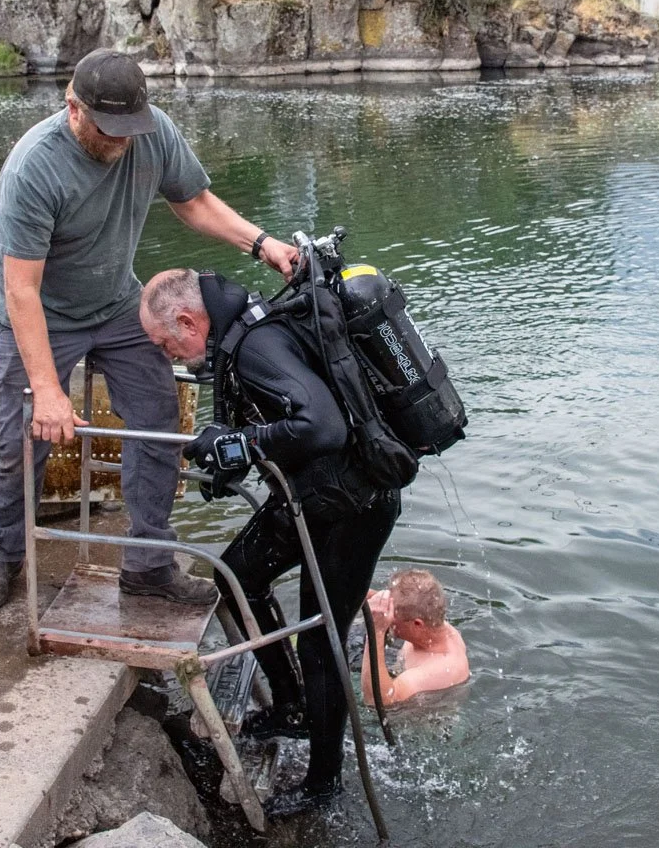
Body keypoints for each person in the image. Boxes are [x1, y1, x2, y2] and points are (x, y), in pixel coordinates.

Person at [0, 48, 299, 614]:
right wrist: (48, 390)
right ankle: (4, 555)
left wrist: (263, 245)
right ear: (73, 108)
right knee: (22, 436)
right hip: (42, 310)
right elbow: (21, 289)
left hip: (118, 301)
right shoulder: (34, 168)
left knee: (158, 419)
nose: (121, 140)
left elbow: (192, 201)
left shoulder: (153, 131)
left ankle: (148, 565)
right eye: (108, 129)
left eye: (130, 128)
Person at [139, 267, 400, 818]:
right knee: (237, 576)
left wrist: (242, 443)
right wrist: (231, 455)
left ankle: (323, 783)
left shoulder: (256, 345)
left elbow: (323, 427)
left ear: (189, 321)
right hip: (318, 492)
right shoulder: (240, 337)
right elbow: (285, 424)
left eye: (167, 344)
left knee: (322, 641)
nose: (171, 356)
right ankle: (292, 705)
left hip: (353, 504)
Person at [361, 569, 468, 707]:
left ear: (417, 624)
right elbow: (404, 604)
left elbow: (378, 702)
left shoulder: (441, 668)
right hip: (398, 667)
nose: (388, 618)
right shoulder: (431, 618)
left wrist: (376, 630)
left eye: (393, 616)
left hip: (409, 717)